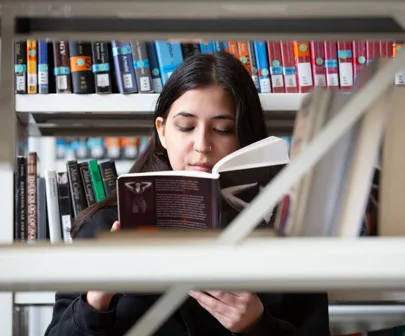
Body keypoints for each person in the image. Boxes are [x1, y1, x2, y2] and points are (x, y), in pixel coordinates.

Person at [45, 51, 331, 336]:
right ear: (162, 131)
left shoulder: (288, 233)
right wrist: (97, 298)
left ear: (246, 137)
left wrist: (258, 325)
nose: (202, 144)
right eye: (186, 127)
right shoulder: (105, 226)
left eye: (222, 129)